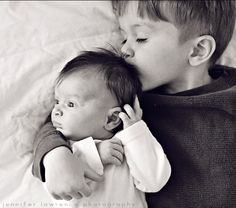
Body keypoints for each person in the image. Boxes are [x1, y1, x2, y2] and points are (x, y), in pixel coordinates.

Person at [32, 1, 236, 207]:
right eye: (124, 37)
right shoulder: (127, 103)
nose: (125, 50)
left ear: (198, 50)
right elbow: (65, 118)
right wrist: (55, 156)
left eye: (141, 38)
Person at [33, 49, 171, 207]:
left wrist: (135, 132)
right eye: (57, 101)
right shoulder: (61, 149)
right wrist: (95, 154)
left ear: (112, 118)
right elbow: (56, 183)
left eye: (71, 104)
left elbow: (154, 181)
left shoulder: (128, 146)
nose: (56, 110)